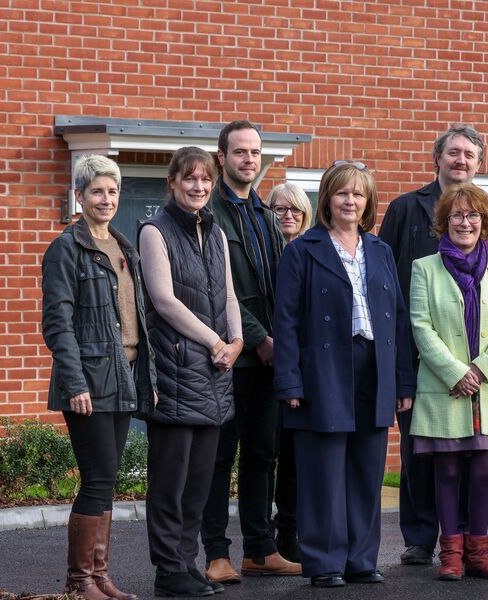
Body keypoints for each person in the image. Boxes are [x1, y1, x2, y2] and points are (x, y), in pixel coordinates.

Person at [272, 161, 415, 588]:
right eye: (342, 193)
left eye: (358, 194)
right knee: (323, 470)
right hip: (323, 369)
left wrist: (402, 381)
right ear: (327, 200)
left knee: (366, 470)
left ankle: (361, 559)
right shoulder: (304, 250)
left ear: (368, 201)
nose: (351, 201)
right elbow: (286, 321)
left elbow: (399, 321)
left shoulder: (381, 251)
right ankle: (325, 561)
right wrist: (290, 381)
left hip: (374, 365)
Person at [379, 124, 488, 566]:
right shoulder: (403, 209)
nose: (460, 161)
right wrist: (407, 365)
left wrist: (479, 368)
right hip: (420, 358)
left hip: (480, 364)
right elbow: (390, 289)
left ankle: (466, 543)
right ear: (438, 157)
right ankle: (421, 538)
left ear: (479, 164)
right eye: (453, 153)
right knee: (426, 457)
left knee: (475, 458)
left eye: (468, 155)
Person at [42, 155, 156, 600]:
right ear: (79, 196)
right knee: (98, 476)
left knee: (108, 479)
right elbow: (57, 323)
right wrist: (74, 383)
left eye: (112, 192)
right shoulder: (66, 249)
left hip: (123, 374)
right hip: (88, 379)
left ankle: (99, 574)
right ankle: (79, 579)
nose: (106, 200)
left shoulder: (124, 247)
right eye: (97, 192)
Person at [139, 146, 243, 597]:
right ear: (173, 183)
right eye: (189, 180)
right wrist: (214, 341)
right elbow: (164, 301)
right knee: (170, 482)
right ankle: (168, 570)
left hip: (217, 372)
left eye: (204, 180)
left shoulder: (216, 232)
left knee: (199, 482)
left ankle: (186, 562)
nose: (198, 187)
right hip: (176, 369)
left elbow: (230, 298)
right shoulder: (154, 231)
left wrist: (236, 343)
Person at [203, 120, 299, 585]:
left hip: (269, 357)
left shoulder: (264, 215)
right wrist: (261, 339)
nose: (249, 159)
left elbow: (279, 286)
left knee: (263, 453)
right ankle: (216, 553)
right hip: (231, 356)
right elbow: (224, 289)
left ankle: (261, 549)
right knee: (221, 456)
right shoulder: (212, 214)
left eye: (255, 152)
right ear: (222, 157)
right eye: (239, 152)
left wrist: (280, 342)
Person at [408, 183, 488, 581]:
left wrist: (481, 370)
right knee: (449, 472)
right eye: (457, 215)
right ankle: (451, 554)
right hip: (445, 386)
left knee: (487, 472)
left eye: (474, 215)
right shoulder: (424, 268)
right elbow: (421, 326)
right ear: (444, 222)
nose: (465, 222)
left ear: (485, 223)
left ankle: (479, 551)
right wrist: (457, 372)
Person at [265, 181, 313, 562]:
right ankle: (262, 533)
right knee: (265, 451)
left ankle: (289, 530)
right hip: (261, 361)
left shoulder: (310, 253)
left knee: (295, 456)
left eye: (295, 209)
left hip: (298, 364)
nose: (288, 215)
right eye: (279, 209)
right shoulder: (263, 251)